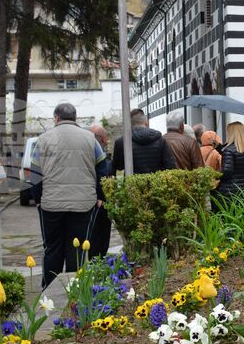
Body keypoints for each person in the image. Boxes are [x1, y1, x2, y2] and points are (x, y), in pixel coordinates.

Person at [30, 103, 108, 287]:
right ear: (75, 118)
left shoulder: (43, 139)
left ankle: (49, 289)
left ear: (56, 118)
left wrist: (39, 199)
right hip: (83, 203)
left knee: (52, 248)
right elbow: (102, 169)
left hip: (51, 204)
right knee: (78, 248)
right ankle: (76, 288)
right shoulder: (90, 139)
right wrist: (100, 196)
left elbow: (34, 173)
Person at [112, 108, 176, 174]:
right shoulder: (160, 140)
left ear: (130, 124)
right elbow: (170, 166)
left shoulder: (122, 142)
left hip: (131, 183)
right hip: (156, 182)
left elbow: (118, 166)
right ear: (146, 121)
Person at [88, 124, 113, 258]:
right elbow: (106, 176)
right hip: (100, 202)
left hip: (86, 201)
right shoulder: (103, 158)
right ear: (103, 140)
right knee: (101, 237)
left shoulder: (84, 153)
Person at [215, 122, 244, 200]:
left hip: (228, 191)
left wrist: (215, 175)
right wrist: (221, 150)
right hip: (243, 189)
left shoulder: (229, 150)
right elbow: (237, 162)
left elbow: (227, 172)